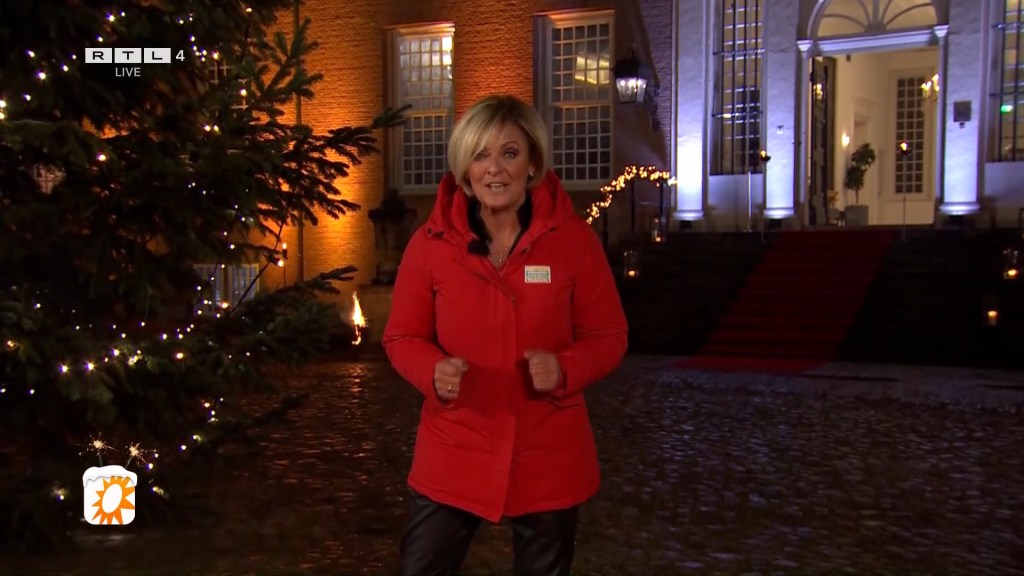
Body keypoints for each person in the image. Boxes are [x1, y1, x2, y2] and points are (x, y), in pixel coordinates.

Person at [382, 94, 628, 576]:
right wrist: (433, 371)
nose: (494, 169)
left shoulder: (574, 242)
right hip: (455, 444)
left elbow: (609, 335)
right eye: (480, 155)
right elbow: (401, 337)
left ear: (532, 162)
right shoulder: (430, 246)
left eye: (509, 153)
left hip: (549, 450)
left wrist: (564, 369)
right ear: (465, 169)